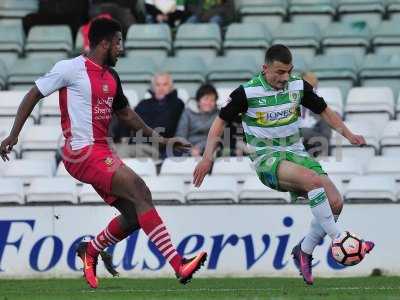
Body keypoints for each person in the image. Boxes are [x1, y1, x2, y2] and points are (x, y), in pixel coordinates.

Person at [0, 18, 207, 289]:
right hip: (79, 152)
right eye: (118, 42)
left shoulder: (111, 76)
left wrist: (162, 140)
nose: (121, 48)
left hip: (101, 151)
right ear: (104, 43)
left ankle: (92, 249)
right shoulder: (70, 68)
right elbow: (32, 95)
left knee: (134, 216)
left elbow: (126, 114)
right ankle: (179, 264)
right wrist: (14, 134)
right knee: (140, 188)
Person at [192, 44, 374, 285]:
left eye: (288, 71)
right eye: (279, 72)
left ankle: (304, 250)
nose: (284, 77)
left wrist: (349, 135)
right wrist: (207, 158)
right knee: (313, 181)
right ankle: (340, 239)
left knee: (335, 201)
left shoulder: (298, 86)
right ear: (265, 68)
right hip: (266, 158)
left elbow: (325, 111)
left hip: (296, 152)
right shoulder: (247, 93)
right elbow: (219, 123)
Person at [176, 83, 219, 157]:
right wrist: (191, 150)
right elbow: (180, 136)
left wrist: (200, 147)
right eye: (206, 99)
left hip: (209, 148)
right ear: (198, 101)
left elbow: (218, 136)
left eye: (212, 100)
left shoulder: (218, 114)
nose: (209, 103)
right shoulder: (187, 113)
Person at [300, 72, 332, 157]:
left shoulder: (322, 107)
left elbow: (326, 137)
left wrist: (304, 132)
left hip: (314, 150)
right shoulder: (290, 105)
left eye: (313, 87)